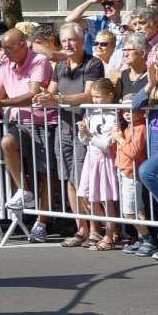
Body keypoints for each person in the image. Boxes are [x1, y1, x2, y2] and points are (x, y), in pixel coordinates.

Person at [0, 29, 55, 243]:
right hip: (19, 122)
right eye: (3, 48)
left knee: (45, 175)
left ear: (23, 44)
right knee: (7, 142)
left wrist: (2, 103)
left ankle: (42, 224)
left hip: (44, 123)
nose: (5, 52)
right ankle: (23, 191)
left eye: (9, 48)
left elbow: (32, 94)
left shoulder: (40, 61)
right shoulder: (4, 66)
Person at [33, 23, 104, 246]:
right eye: (64, 41)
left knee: (83, 179)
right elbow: (51, 93)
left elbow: (88, 96)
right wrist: (43, 97)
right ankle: (80, 229)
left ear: (82, 41)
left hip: (84, 127)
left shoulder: (94, 63)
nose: (68, 44)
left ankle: (95, 228)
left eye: (72, 40)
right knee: (69, 181)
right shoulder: (60, 64)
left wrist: (58, 100)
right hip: (63, 127)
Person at [131, 40, 158, 260]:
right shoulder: (157, 81)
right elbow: (135, 104)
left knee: (146, 171)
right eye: (157, 58)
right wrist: (151, 83)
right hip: (156, 135)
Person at [77, 78, 121, 251]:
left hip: (105, 160)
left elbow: (105, 145)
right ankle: (114, 229)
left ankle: (110, 234)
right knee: (86, 196)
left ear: (110, 96)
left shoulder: (113, 116)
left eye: (98, 96)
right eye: (93, 97)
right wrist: (83, 132)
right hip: (91, 158)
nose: (95, 100)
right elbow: (84, 141)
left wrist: (87, 133)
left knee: (106, 199)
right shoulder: (92, 113)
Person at [114, 102, 155, 256]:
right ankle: (143, 239)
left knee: (129, 213)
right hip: (124, 171)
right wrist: (117, 135)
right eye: (124, 111)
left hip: (131, 173)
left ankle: (148, 240)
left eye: (132, 110)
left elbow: (133, 152)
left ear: (141, 112)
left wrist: (119, 138)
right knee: (139, 209)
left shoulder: (140, 128)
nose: (127, 113)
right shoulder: (128, 128)